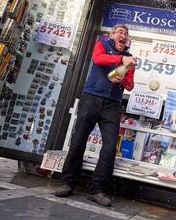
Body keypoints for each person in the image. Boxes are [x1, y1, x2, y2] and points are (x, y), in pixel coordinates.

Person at [54, 24, 137, 207]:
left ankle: (97, 190)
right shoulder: (102, 43)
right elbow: (98, 59)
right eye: (120, 33)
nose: (123, 36)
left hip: (112, 104)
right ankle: (68, 183)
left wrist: (123, 77)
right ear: (111, 35)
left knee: (109, 147)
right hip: (91, 97)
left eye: (126, 34)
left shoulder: (129, 59)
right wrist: (120, 59)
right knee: (78, 140)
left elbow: (130, 86)